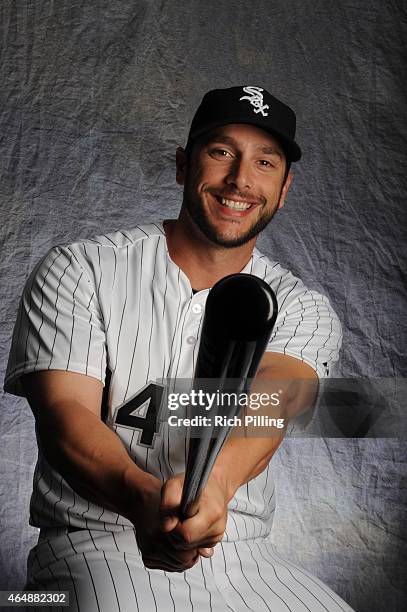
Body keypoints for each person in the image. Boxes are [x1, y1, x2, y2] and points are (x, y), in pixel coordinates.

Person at [5, 86, 353, 611]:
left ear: (284, 188)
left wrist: (213, 489)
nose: (241, 179)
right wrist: (141, 497)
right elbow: (64, 414)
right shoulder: (80, 269)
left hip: (241, 552)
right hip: (94, 545)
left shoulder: (302, 307)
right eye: (221, 153)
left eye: (265, 162)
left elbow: (269, 408)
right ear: (183, 165)